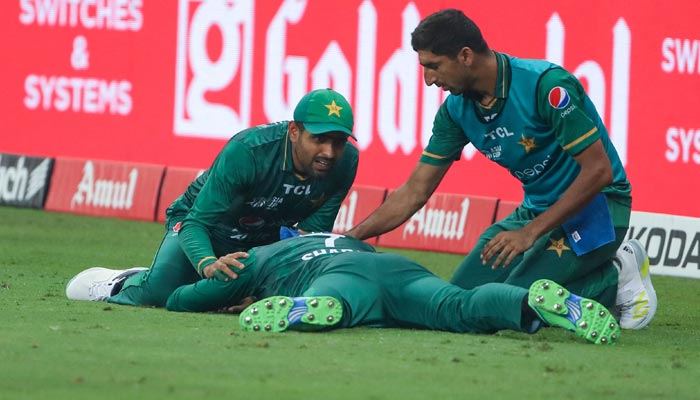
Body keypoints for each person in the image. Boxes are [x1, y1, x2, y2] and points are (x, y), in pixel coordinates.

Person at [343, 9, 656, 330]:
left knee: (510, 303)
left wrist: (529, 233)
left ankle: (615, 276)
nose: (429, 80)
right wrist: (350, 238)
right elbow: (414, 191)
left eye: (433, 66)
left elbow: (599, 171)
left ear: (465, 56)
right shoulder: (455, 111)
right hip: (536, 213)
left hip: (599, 207)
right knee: (461, 303)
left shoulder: (545, 86)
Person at [65, 88, 360, 308]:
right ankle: (121, 282)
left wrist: (268, 293)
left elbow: (306, 241)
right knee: (159, 292)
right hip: (202, 227)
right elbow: (195, 222)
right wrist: (208, 263)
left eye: (338, 142)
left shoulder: (346, 163)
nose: (329, 153)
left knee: (245, 297)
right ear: (294, 131)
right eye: (319, 139)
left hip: (263, 241)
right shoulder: (248, 151)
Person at [65, 232, 621, 344]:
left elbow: (181, 300)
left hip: (336, 279)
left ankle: (313, 309)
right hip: (393, 266)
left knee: (338, 303)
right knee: (458, 306)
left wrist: (210, 290)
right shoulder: (327, 234)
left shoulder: (252, 257)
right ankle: (532, 301)